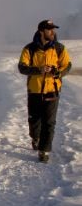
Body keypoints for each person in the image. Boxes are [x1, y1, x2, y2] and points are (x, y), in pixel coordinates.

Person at [18, 19, 72, 162]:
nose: (52, 32)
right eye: (49, 30)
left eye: (53, 29)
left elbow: (67, 65)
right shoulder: (29, 49)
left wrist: (58, 73)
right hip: (34, 90)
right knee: (34, 120)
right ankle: (35, 138)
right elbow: (22, 68)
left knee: (49, 122)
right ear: (41, 31)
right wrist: (39, 70)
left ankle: (44, 151)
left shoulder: (59, 48)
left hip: (52, 90)